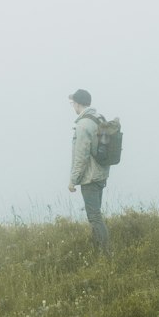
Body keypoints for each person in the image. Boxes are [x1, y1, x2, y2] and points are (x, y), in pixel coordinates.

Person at [67, 88, 111, 255]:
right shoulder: (99, 118)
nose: (73, 107)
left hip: (90, 177)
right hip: (101, 174)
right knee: (96, 215)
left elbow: (81, 156)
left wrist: (73, 180)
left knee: (94, 217)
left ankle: (105, 254)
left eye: (73, 103)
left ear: (78, 104)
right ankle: (97, 250)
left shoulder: (83, 124)